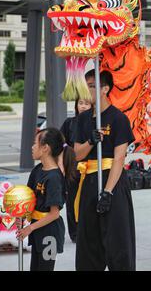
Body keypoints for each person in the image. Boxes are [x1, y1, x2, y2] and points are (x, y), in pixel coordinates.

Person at [74, 70, 136, 271]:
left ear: (105, 89)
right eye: (86, 85)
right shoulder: (82, 119)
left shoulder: (118, 118)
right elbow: (77, 154)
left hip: (113, 183)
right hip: (89, 181)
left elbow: (119, 158)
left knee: (117, 240)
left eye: (92, 85)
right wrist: (91, 141)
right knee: (88, 240)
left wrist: (108, 192)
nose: (87, 89)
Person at [17, 127, 76, 271]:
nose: (32, 147)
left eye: (35, 143)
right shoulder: (37, 170)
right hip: (37, 229)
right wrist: (21, 215)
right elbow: (29, 198)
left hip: (49, 233)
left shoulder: (54, 178)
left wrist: (29, 228)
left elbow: (54, 213)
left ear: (45, 148)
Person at [60, 98, 92, 242]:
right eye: (81, 103)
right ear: (76, 105)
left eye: (87, 103)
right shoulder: (69, 123)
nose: (83, 106)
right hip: (73, 168)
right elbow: (60, 142)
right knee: (72, 201)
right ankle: (75, 234)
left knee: (88, 200)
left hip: (90, 166)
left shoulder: (95, 122)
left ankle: (90, 231)